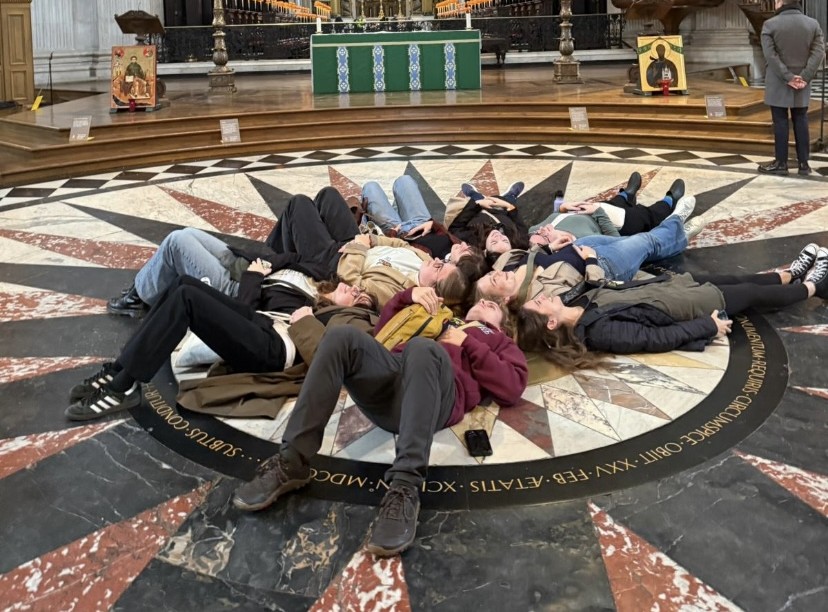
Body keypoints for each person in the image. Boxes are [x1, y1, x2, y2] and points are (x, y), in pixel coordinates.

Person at [232, 286, 528, 557]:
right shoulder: (442, 315)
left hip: (437, 395)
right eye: (483, 299)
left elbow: (513, 386)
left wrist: (469, 343)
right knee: (340, 337)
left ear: (502, 325)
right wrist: (406, 296)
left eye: (494, 306)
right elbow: (382, 333)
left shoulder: (498, 342)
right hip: (390, 381)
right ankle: (292, 461)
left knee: (423, 348)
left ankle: (405, 488)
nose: (487, 301)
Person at [65, 265, 377, 421]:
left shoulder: (353, 321)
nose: (354, 289)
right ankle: (121, 366)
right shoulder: (322, 297)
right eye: (353, 288)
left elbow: (331, 355)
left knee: (187, 299)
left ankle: (124, 386)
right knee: (183, 282)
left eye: (360, 296)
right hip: (264, 323)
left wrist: (307, 320)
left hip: (276, 349)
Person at [515, 244, 828, 368]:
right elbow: (655, 339)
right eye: (538, 304)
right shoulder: (597, 333)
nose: (542, 297)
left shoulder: (576, 300)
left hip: (671, 288)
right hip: (685, 307)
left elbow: (601, 284)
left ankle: (789, 275)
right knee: (749, 294)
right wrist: (709, 326)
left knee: (737, 279)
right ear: (551, 324)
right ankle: (814, 285)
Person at [108, 187, 357, 317]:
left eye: (354, 298)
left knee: (177, 241)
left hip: (232, 287)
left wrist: (256, 276)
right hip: (247, 265)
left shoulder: (302, 308)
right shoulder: (324, 276)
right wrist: (267, 265)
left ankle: (140, 296)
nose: (354, 289)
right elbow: (295, 258)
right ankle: (148, 283)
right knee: (190, 233)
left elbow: (248, 310)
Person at [474, 201, 695, 305]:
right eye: (493, 282)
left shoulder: (504, 266)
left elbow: (529, 253)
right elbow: (588, 293)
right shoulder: (541, 300)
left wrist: (550, 246)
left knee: (638, 243)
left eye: (487, 275)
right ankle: (676, 222)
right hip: (605, 264)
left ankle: (677, 237)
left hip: (580, 244)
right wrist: (590, 260)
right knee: (644, 241)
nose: (494, 274)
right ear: (504, 299)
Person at [361, 175, 489, 281]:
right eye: (468, 247)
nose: (464, 244)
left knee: (371, 187)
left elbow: (397, 252)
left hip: (397, 231)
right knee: (405, 181)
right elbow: (446, 232)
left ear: (455, 267)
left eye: (463, 251)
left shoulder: (431, 268)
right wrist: (431, 224)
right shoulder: (458, 246)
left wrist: (393, 233)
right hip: (422, 221)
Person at [758, 0, 825, 177]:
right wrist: (805, 76)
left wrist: (788, 77)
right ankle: (804, 164)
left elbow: (770, 56)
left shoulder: (770, 24)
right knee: (801, 119)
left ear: (780, 2)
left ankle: (781, 163)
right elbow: (818, 53)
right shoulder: (813, 24)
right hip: (802, 82)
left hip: (778, 81)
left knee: (780, 121)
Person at [529, 174, 695, 240]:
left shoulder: (533, 232)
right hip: (608, 220)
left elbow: (550, 218)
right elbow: (613, 241)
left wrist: (563, 208)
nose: (542, 230)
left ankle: (626, 196)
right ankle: (669, 202)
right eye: (542, 236)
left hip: (587, 210)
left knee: (614, 203)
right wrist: (598, 212)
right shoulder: (574, 241)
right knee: (643, 215)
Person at [447, 181, 529, 252]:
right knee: (506, 200)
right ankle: (510, 196)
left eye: (494, 242)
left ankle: (473, 194)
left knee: (476, 198)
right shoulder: (520, 242)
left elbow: (455, 228)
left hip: (476, 212)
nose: (498, 236)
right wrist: (508, 206)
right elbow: (521, 225)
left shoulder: (473, 241)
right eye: (505, 240)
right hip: (502, 211)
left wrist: (477, 204)